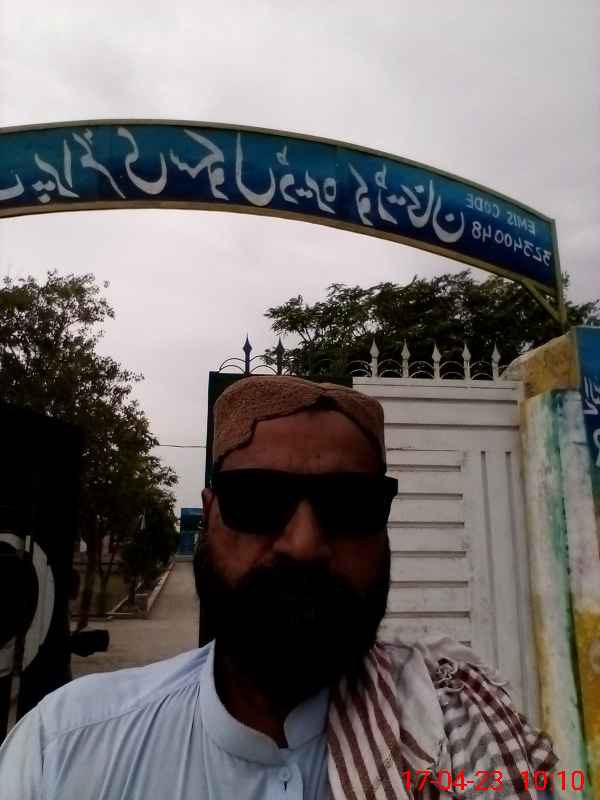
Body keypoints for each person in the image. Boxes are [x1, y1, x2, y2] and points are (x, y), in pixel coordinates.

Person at [0, 376, 558, 799]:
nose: (304, 544)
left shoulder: (460, 728)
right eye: (258, 500)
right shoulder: (63, 748)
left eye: (348, 505)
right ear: (209, 514)